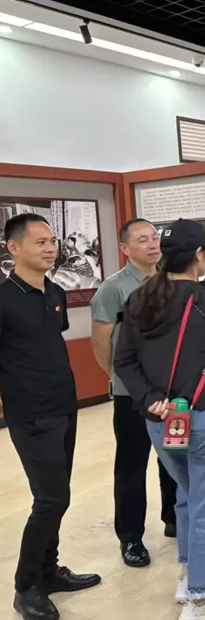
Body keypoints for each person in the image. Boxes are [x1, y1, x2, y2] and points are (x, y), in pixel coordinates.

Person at [115, 219, 205, 620]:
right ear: (199, 256)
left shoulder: (140, 298)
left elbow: (123, 361)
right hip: (203, 412)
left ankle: (187, 573)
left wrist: (151, 400)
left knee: (187, 491)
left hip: (159, 417)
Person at [0, 213, 101, 620]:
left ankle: (48, 571)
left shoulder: (55, 291)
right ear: (13, 248)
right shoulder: (4, 300)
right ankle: (26, 587)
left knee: (59, 495)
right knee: (51, 499)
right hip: (30, 414)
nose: (50, 248)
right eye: (40, 242)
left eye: (52, 241)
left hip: (64, 406)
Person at [90, 219, 178, 568]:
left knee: (173, 457)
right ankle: (131, 538)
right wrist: (117, 377)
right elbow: (101, 342)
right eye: (142, 240)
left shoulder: (172, 279)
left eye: (155, 237)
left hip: (171, 390)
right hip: (133, 394)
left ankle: (174, 517)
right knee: (131, 465)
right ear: (125, 248)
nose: (152, 244)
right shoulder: (113, 289)